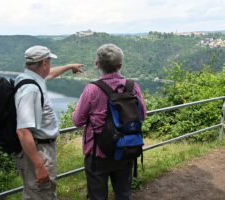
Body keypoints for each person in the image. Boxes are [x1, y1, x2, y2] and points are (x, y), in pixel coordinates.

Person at [72, 44, 147, 200]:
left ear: (97, 64)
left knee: (97, 196)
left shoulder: (92, 89)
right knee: (124, 194)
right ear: (121, 65)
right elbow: (142, 115)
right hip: (126, 148)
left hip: (98, 152)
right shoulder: (132, 87)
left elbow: (78, 121)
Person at [14, 45, 83, 200]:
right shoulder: (31, 89)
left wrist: (68, 67)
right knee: (41, 193)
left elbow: (50, 74)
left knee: (41, 193)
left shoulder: (29, 78)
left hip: (40, 148)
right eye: (49, 62)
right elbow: (23, 131)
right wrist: (39, 166)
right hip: (39, 150)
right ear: (44, 63)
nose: (50, 66)